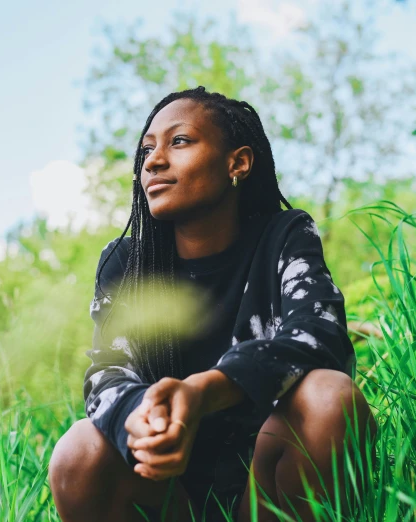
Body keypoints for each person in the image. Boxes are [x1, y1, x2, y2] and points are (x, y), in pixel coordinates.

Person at [48, 86, 377, 522]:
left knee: (328, 398)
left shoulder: (283, 235)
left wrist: (204, 391)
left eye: (178, 141)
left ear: (237, 163)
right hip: (168, 491)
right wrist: (142, 423)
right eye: (146, 150)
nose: (153, 160)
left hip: (270, 484)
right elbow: (108, 373)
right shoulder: (126, 262)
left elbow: (319, 335)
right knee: (80, 449)